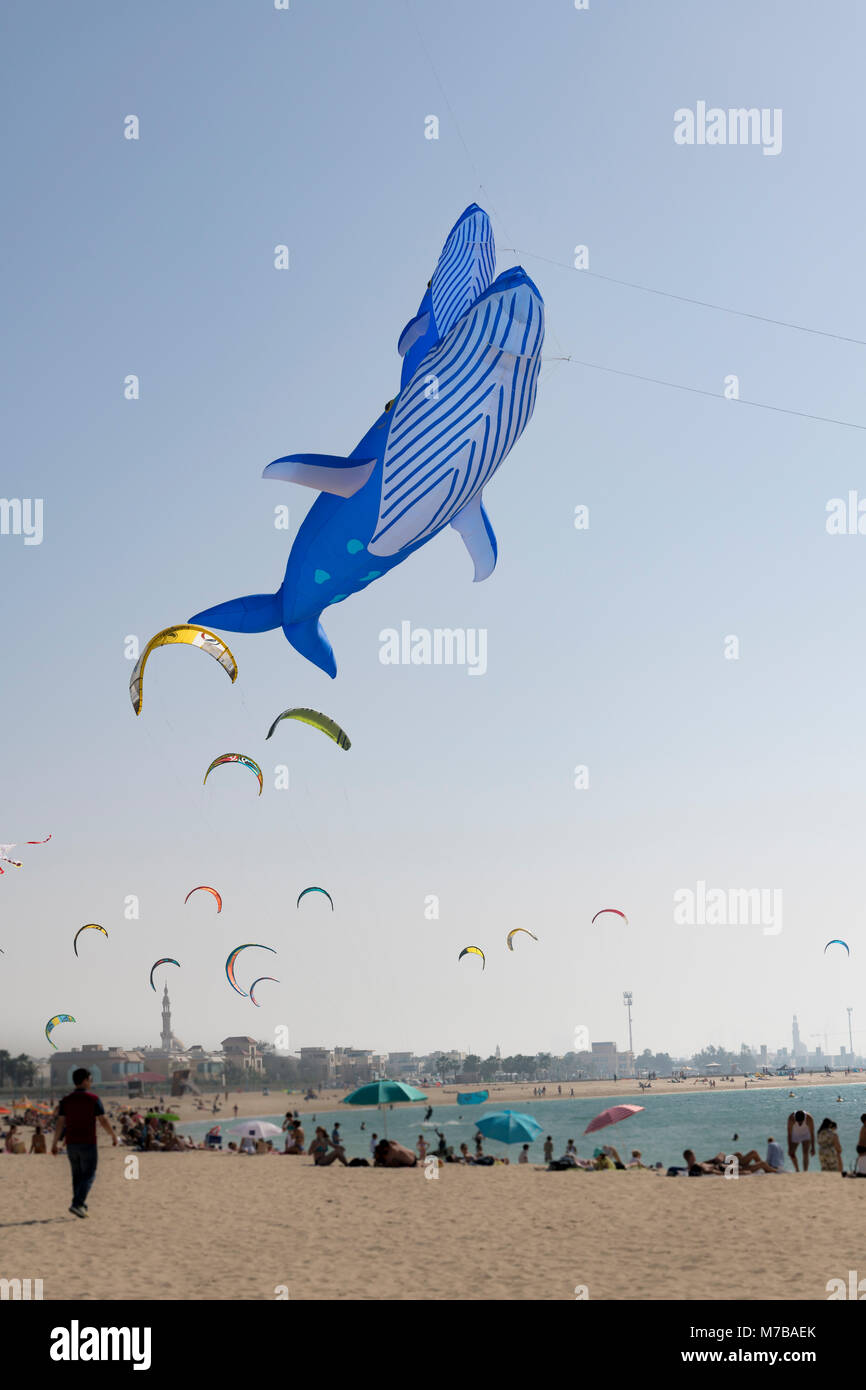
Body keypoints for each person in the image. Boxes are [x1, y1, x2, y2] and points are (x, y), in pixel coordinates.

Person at [52, 1067, 117, 1217]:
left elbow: (60, 1123)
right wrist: (113, 1136)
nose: (91, 1082)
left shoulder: (66, 1100)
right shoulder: (93, 1099)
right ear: (85, 1080)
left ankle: (79, 1205)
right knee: (89, 1174)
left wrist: (54, 1143)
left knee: (77, 1176)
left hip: (71, 1144)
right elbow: (103, 1120)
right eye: (91, 1079)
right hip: (88, 1142)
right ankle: (77, 1203)